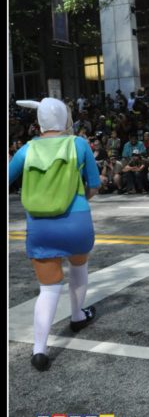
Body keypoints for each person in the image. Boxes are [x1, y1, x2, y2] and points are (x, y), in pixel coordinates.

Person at [8, 98, 100, 371]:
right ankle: (77, 315)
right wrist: (82, 198)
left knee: (48, 289)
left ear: (40, 123)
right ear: (64, 119)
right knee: (78, 267)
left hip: (40, 226)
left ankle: (39, 349)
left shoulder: (27, 149)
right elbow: (94, 185)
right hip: (76, 220)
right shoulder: (79, 144)